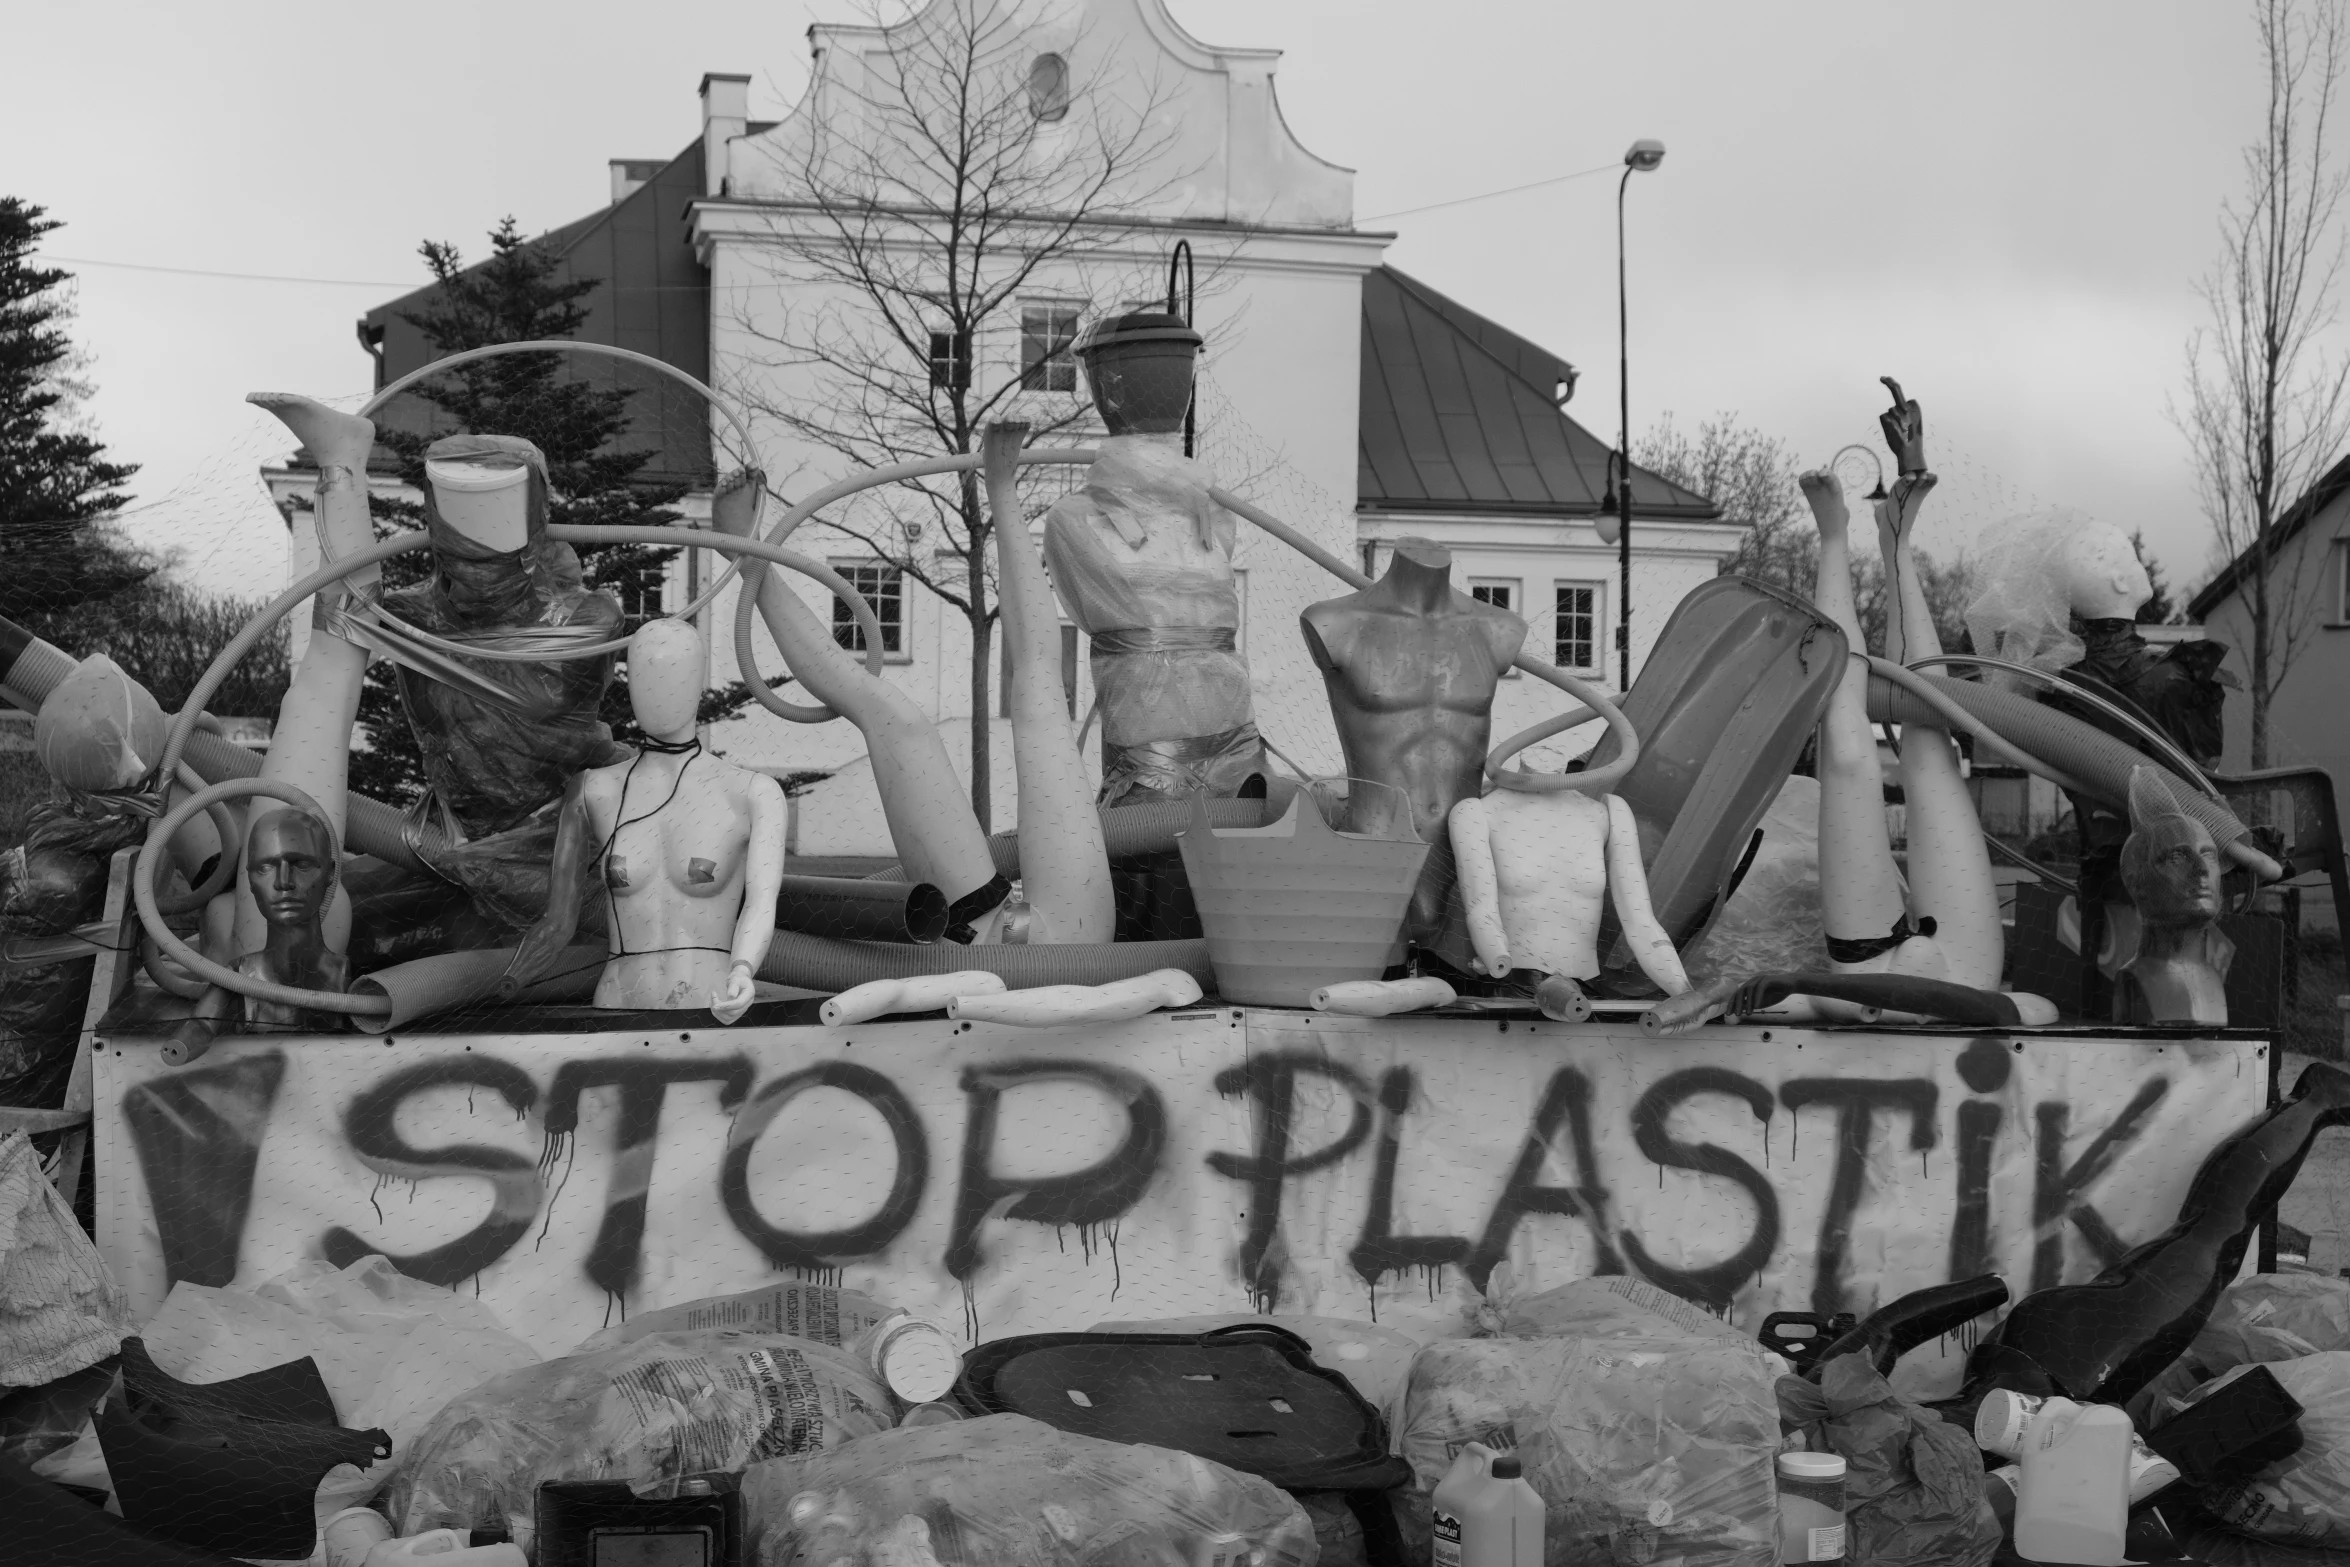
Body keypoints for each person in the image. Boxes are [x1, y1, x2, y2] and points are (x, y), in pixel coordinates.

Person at [507, 619, 785, 1021]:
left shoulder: (750, 793)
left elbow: (762, 900)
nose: (659, 691)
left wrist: (744, 969)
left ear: (699, 683)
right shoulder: (593, 790)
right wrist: (508, 979)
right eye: (645, 675)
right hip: (616, 1004)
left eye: (675, 673)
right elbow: (557, 921)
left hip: (707, 1005)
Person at [1301, 540, 1523, 944]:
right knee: (1375, 977)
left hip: (1464, 853)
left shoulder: (1497, 627)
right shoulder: (1337, 621)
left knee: (1469, 985)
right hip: (1375, 842)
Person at [1799, 469, 1947, 999]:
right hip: (1960, 963)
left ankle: (1837, 537)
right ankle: (1895, 543)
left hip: (1871, 969)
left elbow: (1813, 1005)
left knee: (1846, 748)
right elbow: (2032, 1009)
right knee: (1931, 745)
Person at [170, 810, 351, 1058]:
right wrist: (184, 1044)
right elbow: (202, 1024)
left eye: (302, 865)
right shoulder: (239, 975)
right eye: (265, 867)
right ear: (250, 880)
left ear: (330, 872)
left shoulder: (347, 977)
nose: (283, 882)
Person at [2115, 766, 2232, 1026]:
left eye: (2208, 854)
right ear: (2137, 883)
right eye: (2178, 857)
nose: (2201, 870)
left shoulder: (2212, 976)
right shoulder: (2138, 980)